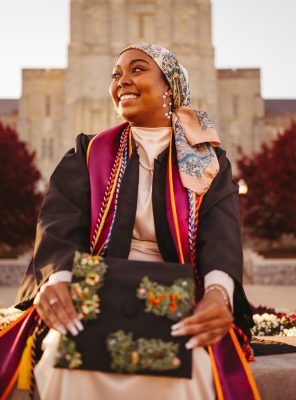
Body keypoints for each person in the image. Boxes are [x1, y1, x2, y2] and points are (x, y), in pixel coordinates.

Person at [15, 43, 258, 399]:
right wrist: (58, 280)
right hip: (96, 295)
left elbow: (220, 237)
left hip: (176, 300)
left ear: (170, 87)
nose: (122, 81)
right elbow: (60, 225)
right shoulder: (89, 152)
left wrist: (219, 294)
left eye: (137, 70)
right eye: (116, 74)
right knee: (60, 355)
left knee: (193, 366)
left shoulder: (207, 162)